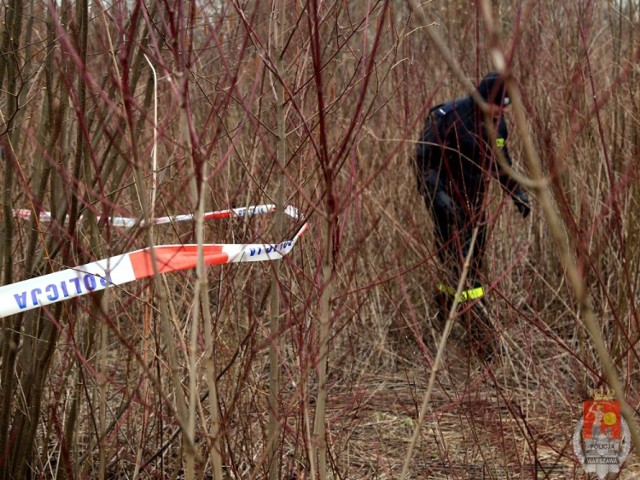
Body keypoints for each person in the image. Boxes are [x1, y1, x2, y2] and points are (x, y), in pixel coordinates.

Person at [415, 72, 531, 358]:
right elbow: (422, 161)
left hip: (476, 207)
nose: (502, 112)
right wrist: (437, 196)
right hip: (446, 206)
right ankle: (479, 340)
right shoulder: (449, 118)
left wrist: (516, 192)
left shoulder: (498, 126)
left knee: (474, 265)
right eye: (498, 106)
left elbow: (501, 164)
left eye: (505, 107)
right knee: (459, 268)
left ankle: (449, 316)